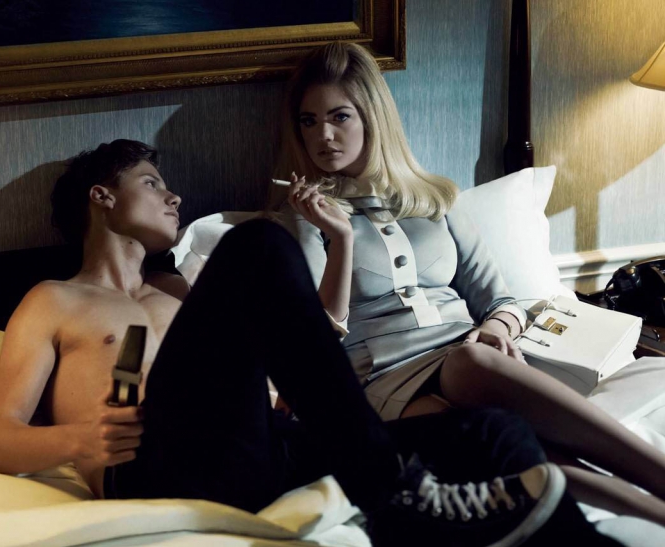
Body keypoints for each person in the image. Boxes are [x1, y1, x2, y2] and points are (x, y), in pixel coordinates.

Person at [0, 139, 605, 547]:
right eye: (151, 182)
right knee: (257, 244)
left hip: (260, 450)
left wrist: (335, 249)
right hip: (151, 465)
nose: (174, 196)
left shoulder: (180, 293)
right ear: (102, 196)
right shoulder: (54, 300)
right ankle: (391, 498)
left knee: (491, 432)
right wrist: (78, 440)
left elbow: (303, 344)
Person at [271, 41, 665, 526]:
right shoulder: (302, 219)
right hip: (382, 379)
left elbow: (501, 300)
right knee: (511, 446)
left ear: (372, 117)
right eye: (309, 121)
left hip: (471, 357)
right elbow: (316, 343)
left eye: (339, 117)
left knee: (472, 363)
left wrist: (497, 328)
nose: (324, 135)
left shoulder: (437, 199)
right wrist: (341, 238)